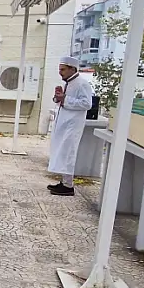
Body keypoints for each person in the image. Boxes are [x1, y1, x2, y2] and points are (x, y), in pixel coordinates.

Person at [48, 56, 95, 197]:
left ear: (72, 69)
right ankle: (64, 182)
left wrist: (65, 99)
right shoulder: (67, 84)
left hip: (73, 124)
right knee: (62, 151)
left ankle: (68, 186)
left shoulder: (82, 84)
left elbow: (87, 104)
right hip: (63, 122)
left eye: (63, 70)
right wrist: (57, 97)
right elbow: (61, 101)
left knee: (68, 153)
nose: (60, 73)